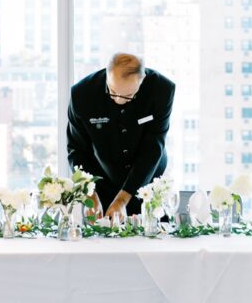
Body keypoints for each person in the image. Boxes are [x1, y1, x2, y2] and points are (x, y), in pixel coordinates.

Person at [67, 53, 175, 218]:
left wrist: (123, 199)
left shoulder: (162, 90)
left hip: (148, 180)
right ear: (107, 75)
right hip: (103, 182)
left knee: (154, 230)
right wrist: (90, 193)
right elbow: (77, 150)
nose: (118, 100)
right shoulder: (82, 94)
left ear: (142, 80)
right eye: (112, 92)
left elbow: (153, 148)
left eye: (128, 96)